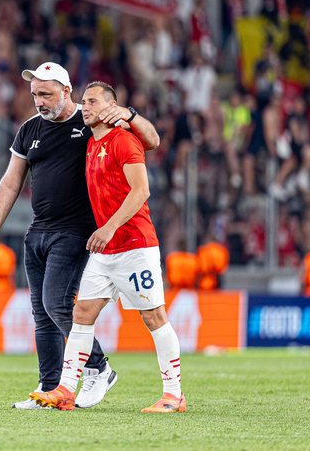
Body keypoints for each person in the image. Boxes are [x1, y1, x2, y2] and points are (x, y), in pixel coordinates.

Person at [0, 63, 159, 409]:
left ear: (67, 92)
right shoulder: (29, 129)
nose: (39, 101)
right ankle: (49, 386)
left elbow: (151, 140)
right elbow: (11, 182)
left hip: (76, 230)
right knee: (42, 314)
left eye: (46, 94)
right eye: (34, 95)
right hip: (39, 230)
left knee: (55, 304)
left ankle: (99, 367)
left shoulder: (89, 120)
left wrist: (130, 115)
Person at [30, 81, 185, 413]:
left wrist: (109, 227)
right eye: (83, 101)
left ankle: (174, 395)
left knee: (154, 316)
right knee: (81, 313)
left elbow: (141, 190)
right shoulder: (91, 143)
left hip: (134, 245)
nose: (85, 107)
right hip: (105, 251)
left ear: (111, 107)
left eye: (93, 101)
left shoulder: (124, 140)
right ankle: (66, 390)